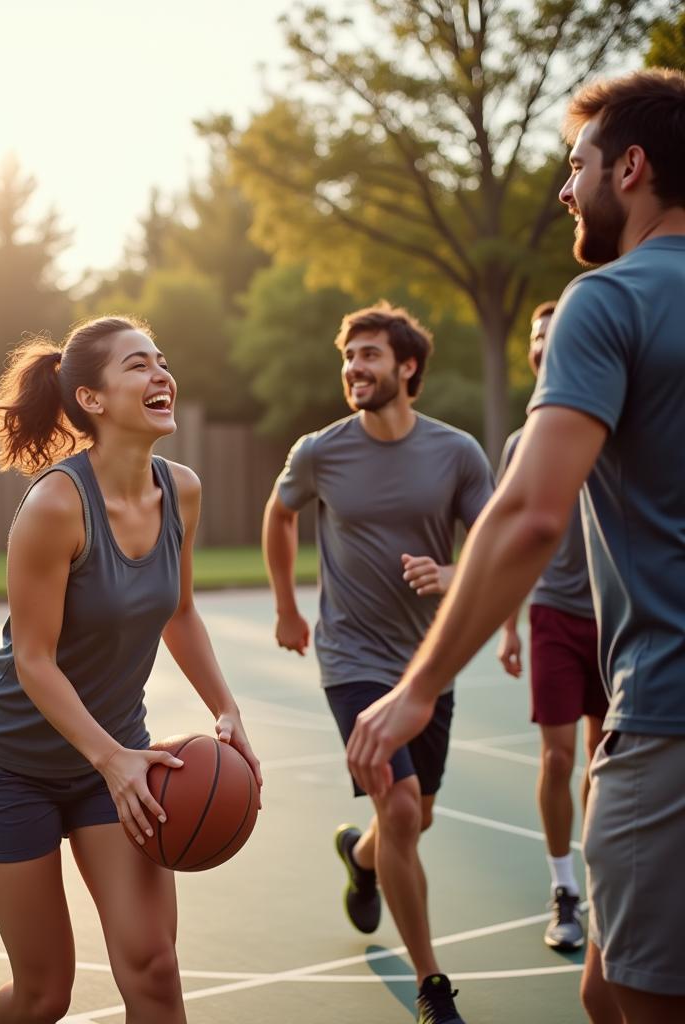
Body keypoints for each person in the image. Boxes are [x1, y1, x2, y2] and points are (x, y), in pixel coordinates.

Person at [346, 68, 685, 1024]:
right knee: (601, 983)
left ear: (631, 166)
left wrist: (417, 689)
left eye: (575, 166)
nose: (565, 190)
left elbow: (531, 514)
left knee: (636, 995)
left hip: (669, 715)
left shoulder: (607, 301)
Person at [0, 315, 261, 1024]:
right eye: (138, 366)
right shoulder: (56, 505)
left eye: (162, 360)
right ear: (91, 399)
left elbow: (179, 613)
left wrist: (227, 708)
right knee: (44, 996)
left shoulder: (181, 489)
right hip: (10, 761)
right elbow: (32, 660)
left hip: (116, 755)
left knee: (153, 968)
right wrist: (112, 759)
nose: (161, 376)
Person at [262, 302, 494, 1024]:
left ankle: (361, 859)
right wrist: (287, 606)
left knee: (413, 817)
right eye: (349, 356)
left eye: (368, 355)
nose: (354, 368)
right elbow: (280, 514)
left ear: (407, 366)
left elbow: (493, 540)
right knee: (398, 806)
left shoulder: (457, 453)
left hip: (429, 663)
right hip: (351, 659)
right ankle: (433, 985)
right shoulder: (319, 451)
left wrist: (454, 575)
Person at [495, 301, 608, 953]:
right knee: (559, 754)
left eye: (554, 333)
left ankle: (602, 877)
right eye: (536, 337)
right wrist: (509, 625)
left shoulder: (617, 417)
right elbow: (512, 540)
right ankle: (564, 889)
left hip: (620, 619)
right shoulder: (522, 442)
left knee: (603, 759)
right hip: (556, 616)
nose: (544, 345)